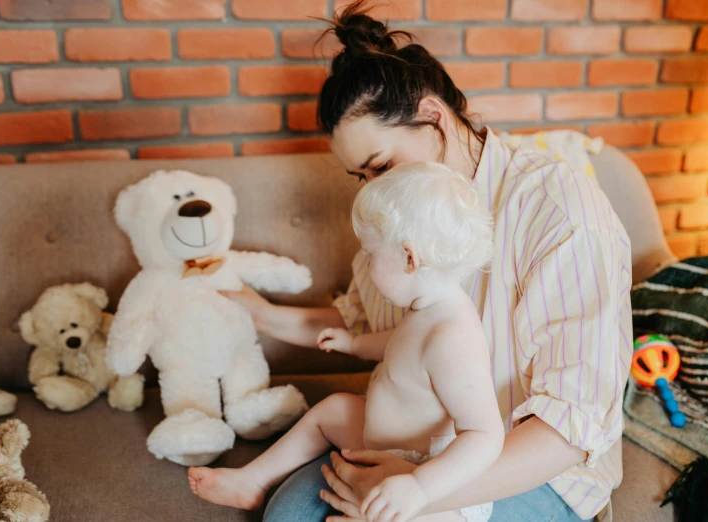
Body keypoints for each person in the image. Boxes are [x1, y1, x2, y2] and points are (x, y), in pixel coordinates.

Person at [223, 2, 633, 521]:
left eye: (381, 166)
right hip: (419, 445)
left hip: (534, 465)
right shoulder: (401, 212)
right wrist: (256, 312)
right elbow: (361, 318)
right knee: (289, 514)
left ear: (434, 118)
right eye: (361, 177)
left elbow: (570, 429)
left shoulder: (558, 207)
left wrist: (423, 488)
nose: (376, 189)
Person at [189, 162, 504, 522]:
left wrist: (420, 487)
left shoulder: (453, 337)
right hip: (390, 443)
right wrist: (354, 344)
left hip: (427, 472)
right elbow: (400, 345)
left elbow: (484, 435)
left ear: (409, 257)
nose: (366, 263)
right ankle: (252, 480)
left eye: (370, 254)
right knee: (334, 408)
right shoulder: (428, 306)